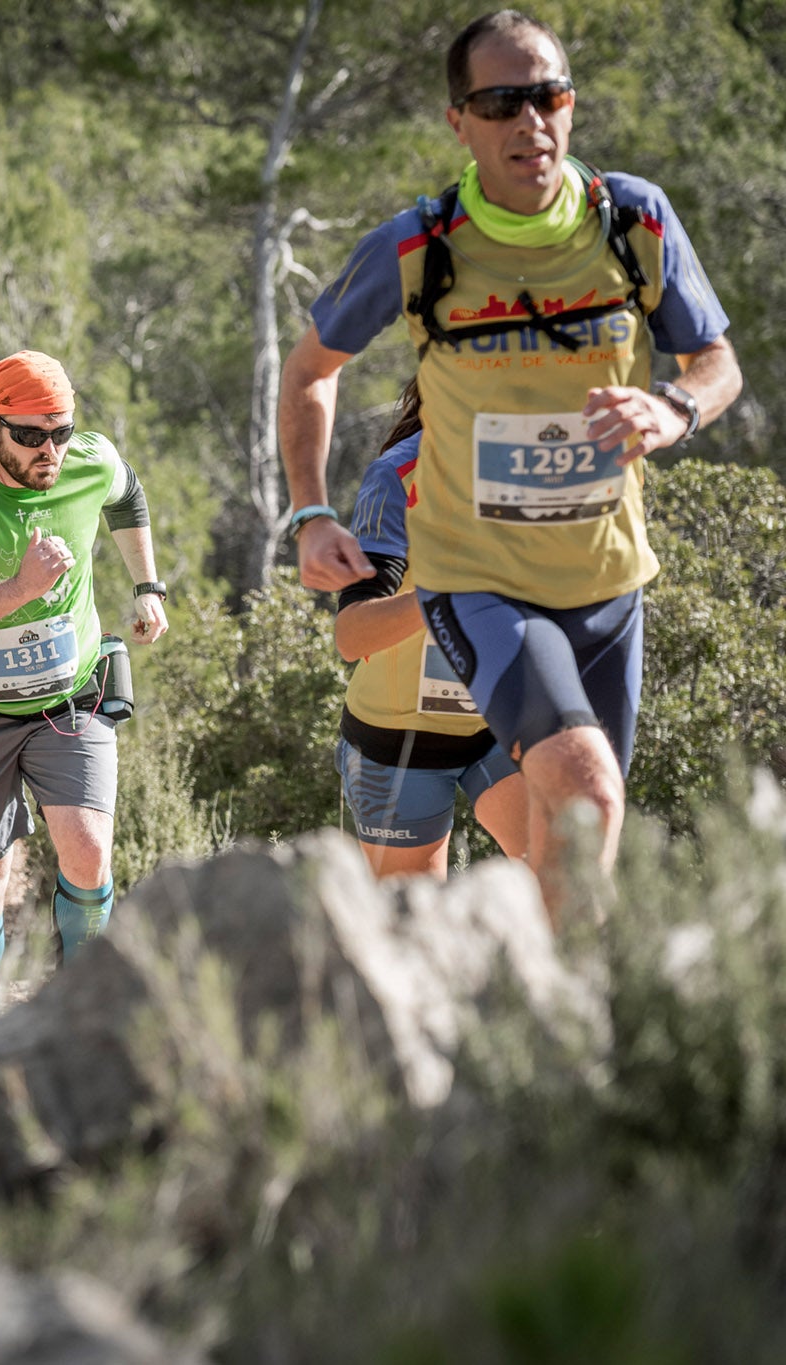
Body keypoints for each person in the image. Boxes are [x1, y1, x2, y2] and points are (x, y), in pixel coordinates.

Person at [279, 9, 740, 914]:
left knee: (585, 839)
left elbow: (716, 364)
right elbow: (309, 371)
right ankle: (569, 1042)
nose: (530, 121)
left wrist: (675, 406)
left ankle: (554, 1033)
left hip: (608, 584)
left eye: (548, 96)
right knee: (587, 798)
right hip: (478, 579)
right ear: (460, 120)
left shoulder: (634, 220)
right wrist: (310, 510)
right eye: (500, 102)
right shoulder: (422, 244)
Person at [0, 351, 168, 1019]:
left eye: (62, 431)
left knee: (87, 849)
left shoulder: (86, 462)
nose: (50, 449)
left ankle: (84, 1020)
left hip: (68, 698)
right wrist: (19, 589)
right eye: (30, 434)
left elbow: (127, 491)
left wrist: (148, 584)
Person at [336, 382, 529, 876]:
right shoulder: (399, 473)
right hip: (395, 743)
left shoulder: (543, 463)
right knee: (413, 926)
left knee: (566, 877)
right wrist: (444, 598)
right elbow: (353, 636)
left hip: (499, 724)